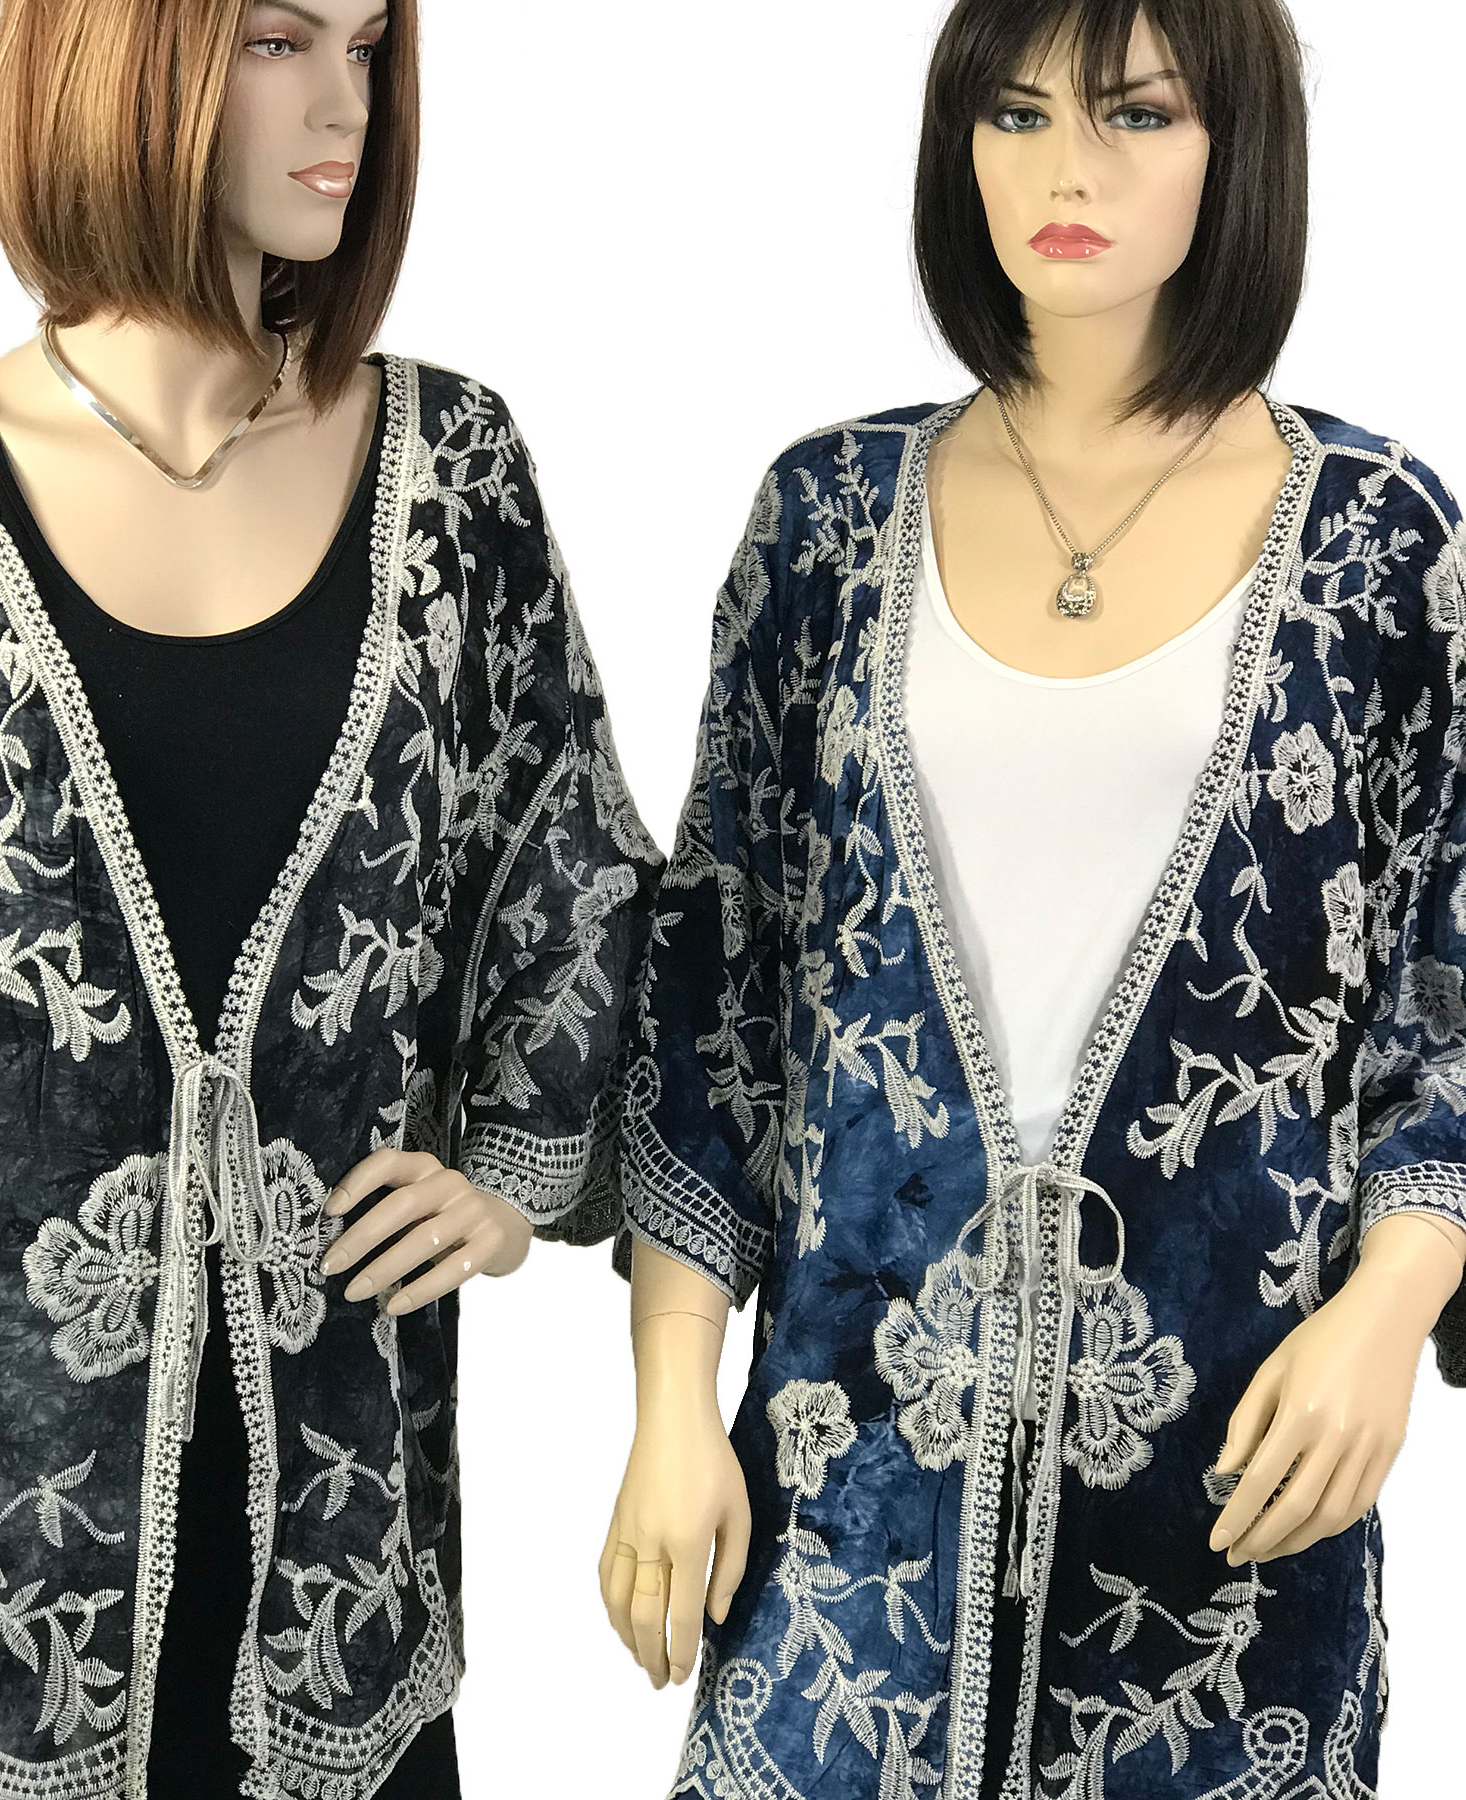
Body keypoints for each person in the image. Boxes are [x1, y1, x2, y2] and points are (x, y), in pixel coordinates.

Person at [0, 3, 658, 1797]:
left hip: (332, 1572)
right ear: (123, 56)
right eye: (279, 41)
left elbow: (577, 891)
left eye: (369, 45)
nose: (345, 106)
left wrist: (510, 1187)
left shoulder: (453, 482)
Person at [602, 1, 1466, 1795]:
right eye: (1016, 114)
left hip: (1228, 1515)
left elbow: (1445, 990)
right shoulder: (831, 516)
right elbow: (720, 984)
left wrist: (1392, 1304)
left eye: (1135, 114)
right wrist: (669, 1404)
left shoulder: (1383, 541)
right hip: (845, 1509)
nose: (1068, 167)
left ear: (1235, 147)